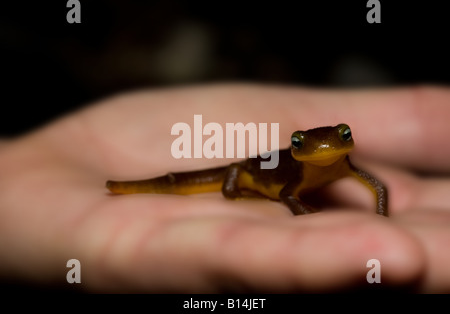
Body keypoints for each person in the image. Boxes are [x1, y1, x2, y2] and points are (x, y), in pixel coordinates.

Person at [1, 84, 449, 292]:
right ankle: (233, 190)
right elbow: (291, 195)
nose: (325, 151)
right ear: (297, 150)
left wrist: (382, 215)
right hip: (247, 171)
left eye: (343, 138)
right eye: (301, 144)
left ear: (347, 144)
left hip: (275, 174)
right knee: (215, 182)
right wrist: (276, 204)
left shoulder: (345, 167)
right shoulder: (297, 169)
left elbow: (377, 187)